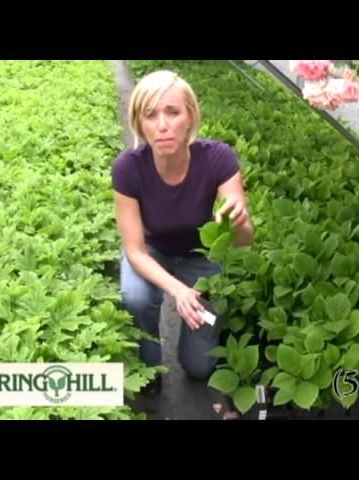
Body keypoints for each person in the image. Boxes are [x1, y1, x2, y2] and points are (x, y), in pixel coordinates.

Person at [112, 70, 254, 397]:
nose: (162, 125)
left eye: (172, 112)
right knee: (136, 296)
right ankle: (149, 368)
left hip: (199, 257)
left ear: (190, 117)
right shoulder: (128, 168)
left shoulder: (218, 158)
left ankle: (195, 348)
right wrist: (178, 290)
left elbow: (245, 240)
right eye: (151, 115)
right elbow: (134, 250)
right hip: (151, 251)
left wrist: (239, 221)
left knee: (199, 368)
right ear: (139, 123)